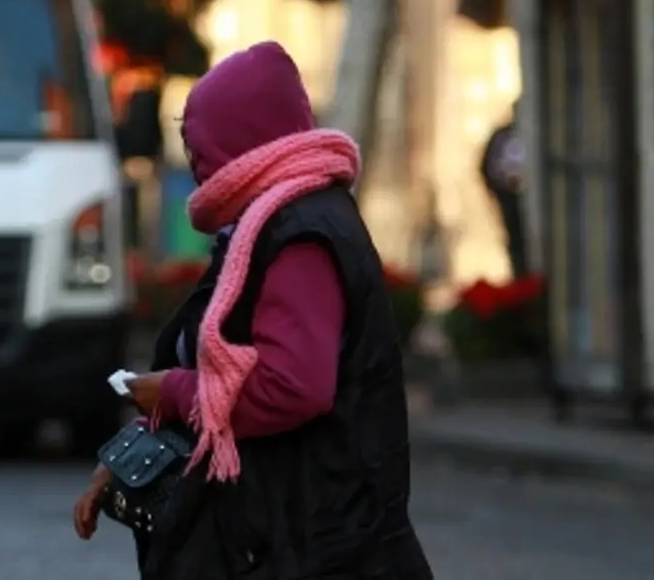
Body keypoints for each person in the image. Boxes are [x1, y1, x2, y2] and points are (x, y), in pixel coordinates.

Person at [73, 41, 433, 580]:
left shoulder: (299, 234)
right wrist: (129, 458)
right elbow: (216, 373)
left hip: (317, 550)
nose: (193, 161)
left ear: (238, 137)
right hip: (284, 544)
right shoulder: (261, 227)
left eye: (198, 142)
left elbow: (291, 387)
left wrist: (172, 391)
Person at [480, 105, 528, 277]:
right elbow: (487, 166)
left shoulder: (533, 136)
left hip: (528, 198)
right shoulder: (502, 135)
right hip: (508, 197)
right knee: (515, 240)